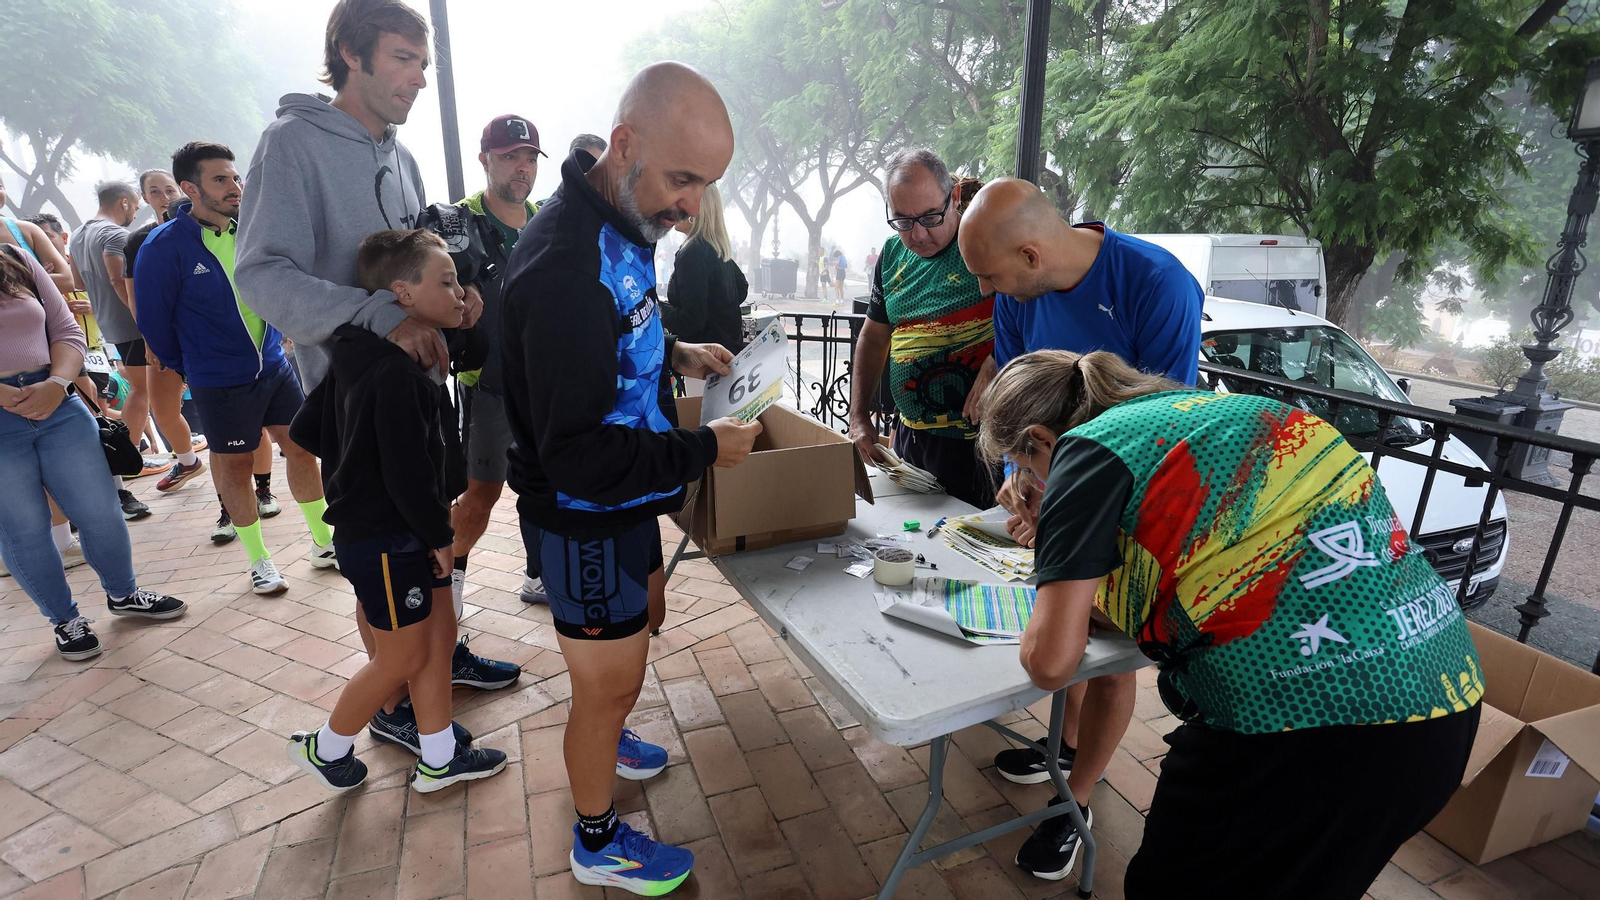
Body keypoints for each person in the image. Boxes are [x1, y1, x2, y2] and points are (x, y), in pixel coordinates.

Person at [976, 349, 1482, 899]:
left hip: (1300, 726)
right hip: (1440, 697)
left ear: (1041, 439)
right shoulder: (1224, 413)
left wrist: (1054, 539)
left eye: (1024, 467)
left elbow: (1049, 663)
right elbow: (1195, 584)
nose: (1028, 481)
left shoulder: (1086, 449)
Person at [501, 62, 762, 896]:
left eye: (705, 184)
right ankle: (596, 840)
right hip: (583, 510)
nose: (690, 205)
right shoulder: (564, 269)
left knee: (645, 620)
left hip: (626, 497)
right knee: (604, 689)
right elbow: (576, 454)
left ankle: (609, 739)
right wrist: (703, 449)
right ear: (623, 146)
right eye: (682, 179)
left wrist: (673, 352)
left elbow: (612, 337)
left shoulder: (621, 218)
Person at [236, 0, 518, 747]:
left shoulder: (402, 155)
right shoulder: (290, 145)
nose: (419, 78)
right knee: (388, 551)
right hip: (355, 401)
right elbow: (261, 275)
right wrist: (378, 315)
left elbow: (415, 263)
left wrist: (455, 295)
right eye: (403, 59)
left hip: (421, 395)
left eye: (424, 64)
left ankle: (438, 657)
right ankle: (393, 701)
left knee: (427, 534)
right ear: (351, 55)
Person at [957, 176, 1204, 880]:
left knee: (1112, 648)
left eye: (990, 275)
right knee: (1071, 627)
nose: (986, 290)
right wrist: (1021, 476)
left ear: (1031, 255)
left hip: (1138, 493)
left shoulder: (1155, 283)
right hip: (1060, 479)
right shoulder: (1016, 294)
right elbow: (1015, 393)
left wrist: (1076, 515)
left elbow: (1165, 424)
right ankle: (1061, 750)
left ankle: (1079, 800)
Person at [288, 228, 508, 794]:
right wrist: (437, 534)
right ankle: (326, 748)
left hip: (403, 528)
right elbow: (408, 472)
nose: (461, 292)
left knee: (438, 641)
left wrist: (353, 453)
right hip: (386, 537)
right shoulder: (394, 372)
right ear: (402, 294)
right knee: (402, 656)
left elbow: (308, 427)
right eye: (447, 281)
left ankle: (439, 757)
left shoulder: (361, 350)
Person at [134, 142, 338, 595]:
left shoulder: (250, 229)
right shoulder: (162, 247)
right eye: (220, 179)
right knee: (236, 465)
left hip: (273, 366)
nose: (235, 187)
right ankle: (259, 561)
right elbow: (153, 322)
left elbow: (274, 283)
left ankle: (324, 543)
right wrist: (194, 366)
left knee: (302, 449)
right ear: (190, 189)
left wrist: (280, 331)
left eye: (235, 177)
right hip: (217, 378)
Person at [0, 239, 186, 661]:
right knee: (23, 528)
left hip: (58, 403)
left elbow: (66, 330)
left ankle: (124, 594)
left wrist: (56, 383)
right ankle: (64, 620)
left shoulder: (15, 257)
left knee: (100, 511)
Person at [847, 149, 996, 508]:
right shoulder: (891, 254)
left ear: (954, 197)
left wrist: (998, 360)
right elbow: (874, 336)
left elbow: (1032, 318)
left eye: (930, 217)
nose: (917, 234)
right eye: (902, 221)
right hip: (911, 441)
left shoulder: (986, 243)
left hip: (982, 446)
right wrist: (859, 416)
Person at [450, 114, 548, 612]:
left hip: (546, 386)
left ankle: (538, 575)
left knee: (545, 485)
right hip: (487, 385)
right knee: (480, 495)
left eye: (530, 157)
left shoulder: (549, 220)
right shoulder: (456, 224)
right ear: (484, 159)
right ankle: (449, 583)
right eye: (510, 157)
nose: (522, 167)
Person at [122, 169, 207, 494]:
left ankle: (258, 484)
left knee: (229, 412)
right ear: (144, 198)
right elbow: (135, 297)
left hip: (208, 337)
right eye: (155, 192)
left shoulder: (209, 228)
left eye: (169, 190)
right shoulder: (139, 241)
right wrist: (151, 339)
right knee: (163, 409)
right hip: (164, 340)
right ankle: (187, 461)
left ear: (183, 190)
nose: (164, 197)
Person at [664, 183, 748, 352]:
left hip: (703, 357)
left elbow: (691, 320)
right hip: (728, 350)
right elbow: (741, 287)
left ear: (696, 211)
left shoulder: (692, 252)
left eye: (681, 202)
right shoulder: (716, 247)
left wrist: (659, 310)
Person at [0, 175, 76, 294]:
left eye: (0, 186)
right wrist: (39, 276)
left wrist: (21, 279)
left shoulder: (26, 230)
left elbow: (66, 282)